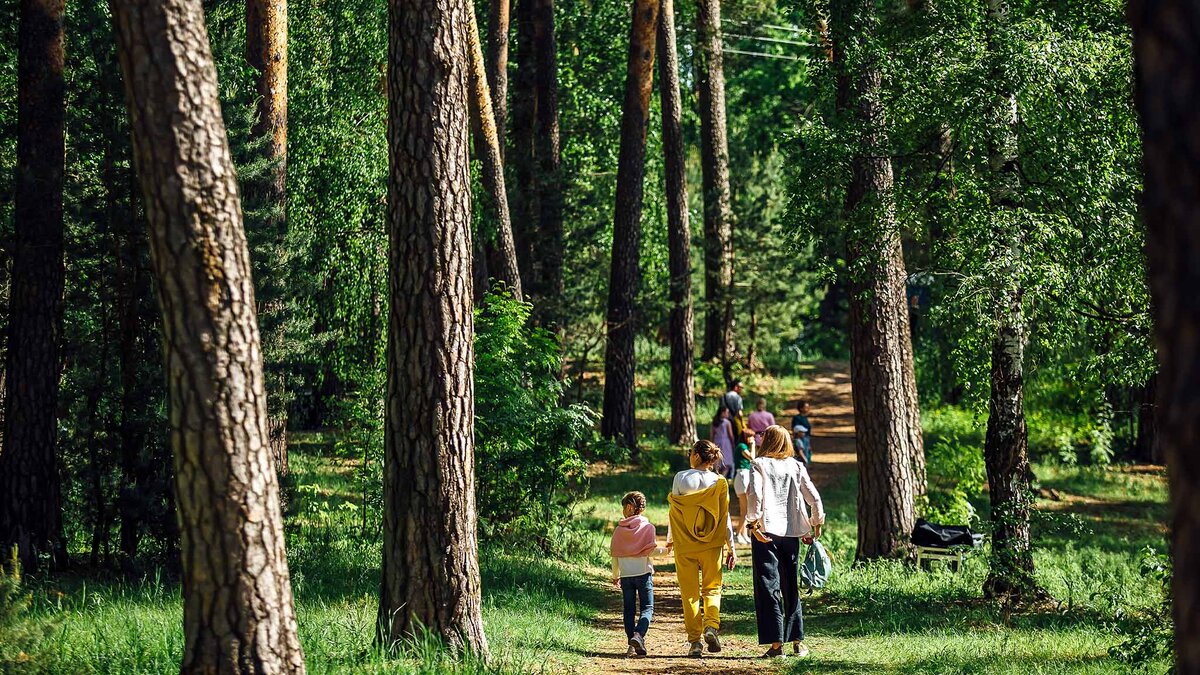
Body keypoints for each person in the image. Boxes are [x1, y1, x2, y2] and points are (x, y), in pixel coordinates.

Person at [746, 425, 825, 659]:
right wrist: (816, 523)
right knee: (790, 584)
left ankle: (776, 645)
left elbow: (755, 496)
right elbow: (814, 497)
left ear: (767, 441)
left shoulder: (758, 465)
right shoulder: (796, 465)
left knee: (768, 586)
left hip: (766, 532)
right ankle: (798, 641)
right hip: (792, 532)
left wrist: (753, 525)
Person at [668, 440, 737, 658]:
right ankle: (711, 626)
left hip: (685, 544)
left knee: (689, 593)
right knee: (712, 589)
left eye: (691, 452)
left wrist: (670, 539)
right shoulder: (719, 482)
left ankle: (695, 642)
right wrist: (731, 547)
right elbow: (724, 517)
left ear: (697, 456)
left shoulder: (681, 478)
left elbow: (676, 512)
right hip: (712, 545)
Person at [610, 491, 669, 658]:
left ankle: (633, 642)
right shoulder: (648, 527)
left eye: (623, 507)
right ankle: (639, 635)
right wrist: (667, 551)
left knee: (629, 610)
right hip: (643, 574)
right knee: (647, 608)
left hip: (626, 577)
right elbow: (652, 551)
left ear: (629, 507)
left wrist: (616, 576)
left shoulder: (618, 531)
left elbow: (615, 556)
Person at [733, 428, 756, 544]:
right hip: (742, 476)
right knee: (745, 510)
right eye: (751, 436)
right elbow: (753, 458)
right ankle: (737, 534)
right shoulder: (742, 446)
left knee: (745, 510)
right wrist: (753, 445)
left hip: (744, 476)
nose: (753, 439)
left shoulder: (743, 446)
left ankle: (744, 534)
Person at [710, 407, 736, 479]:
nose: (728, 414)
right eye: (727, 412)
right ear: (722, 413)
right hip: (726, 443)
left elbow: (712, 435)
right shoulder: (727, 422)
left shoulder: (714, 422)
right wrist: (733, 444)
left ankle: (717, 477)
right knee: (726, 461)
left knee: (717, 460)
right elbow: (730, 435)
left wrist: (711, 444)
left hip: (716, 442)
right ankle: (722, 478)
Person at [792, 400, 813, 464]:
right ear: (801, 408)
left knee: (807, 453)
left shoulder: (805, 417)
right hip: (801, 439)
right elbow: (795, 428)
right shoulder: (797, 418)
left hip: (806, 438)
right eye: (806, 407)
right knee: (802, 453)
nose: (807, 409)